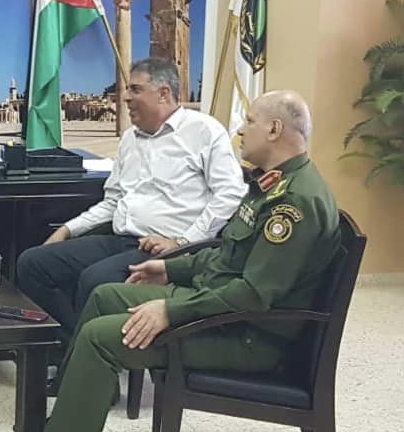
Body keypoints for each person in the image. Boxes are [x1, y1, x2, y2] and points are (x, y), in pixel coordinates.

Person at [0, 91, 340, 432]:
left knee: (99, 338)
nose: (240, 129)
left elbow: (253, 294)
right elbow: (226, 257)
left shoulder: (294, 203)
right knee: (104, 296)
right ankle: (69, 422)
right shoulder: (272, 184)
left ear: (274, 129)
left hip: (248, 337)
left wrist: (170, 310)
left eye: (249, 121)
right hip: (220, 308)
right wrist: (170, 270)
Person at [16, 58, 245, 335]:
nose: (125, 97)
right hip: (122, 238)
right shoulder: (130, 138)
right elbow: (113, 201)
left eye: (135, 89)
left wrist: (182, 241)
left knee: (96, 279)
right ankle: (73, 344)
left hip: (170, 249)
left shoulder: (205, 131)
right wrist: (67, 229)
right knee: (33, 263)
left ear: (163, 93)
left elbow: (230, 194)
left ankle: (83, 349)